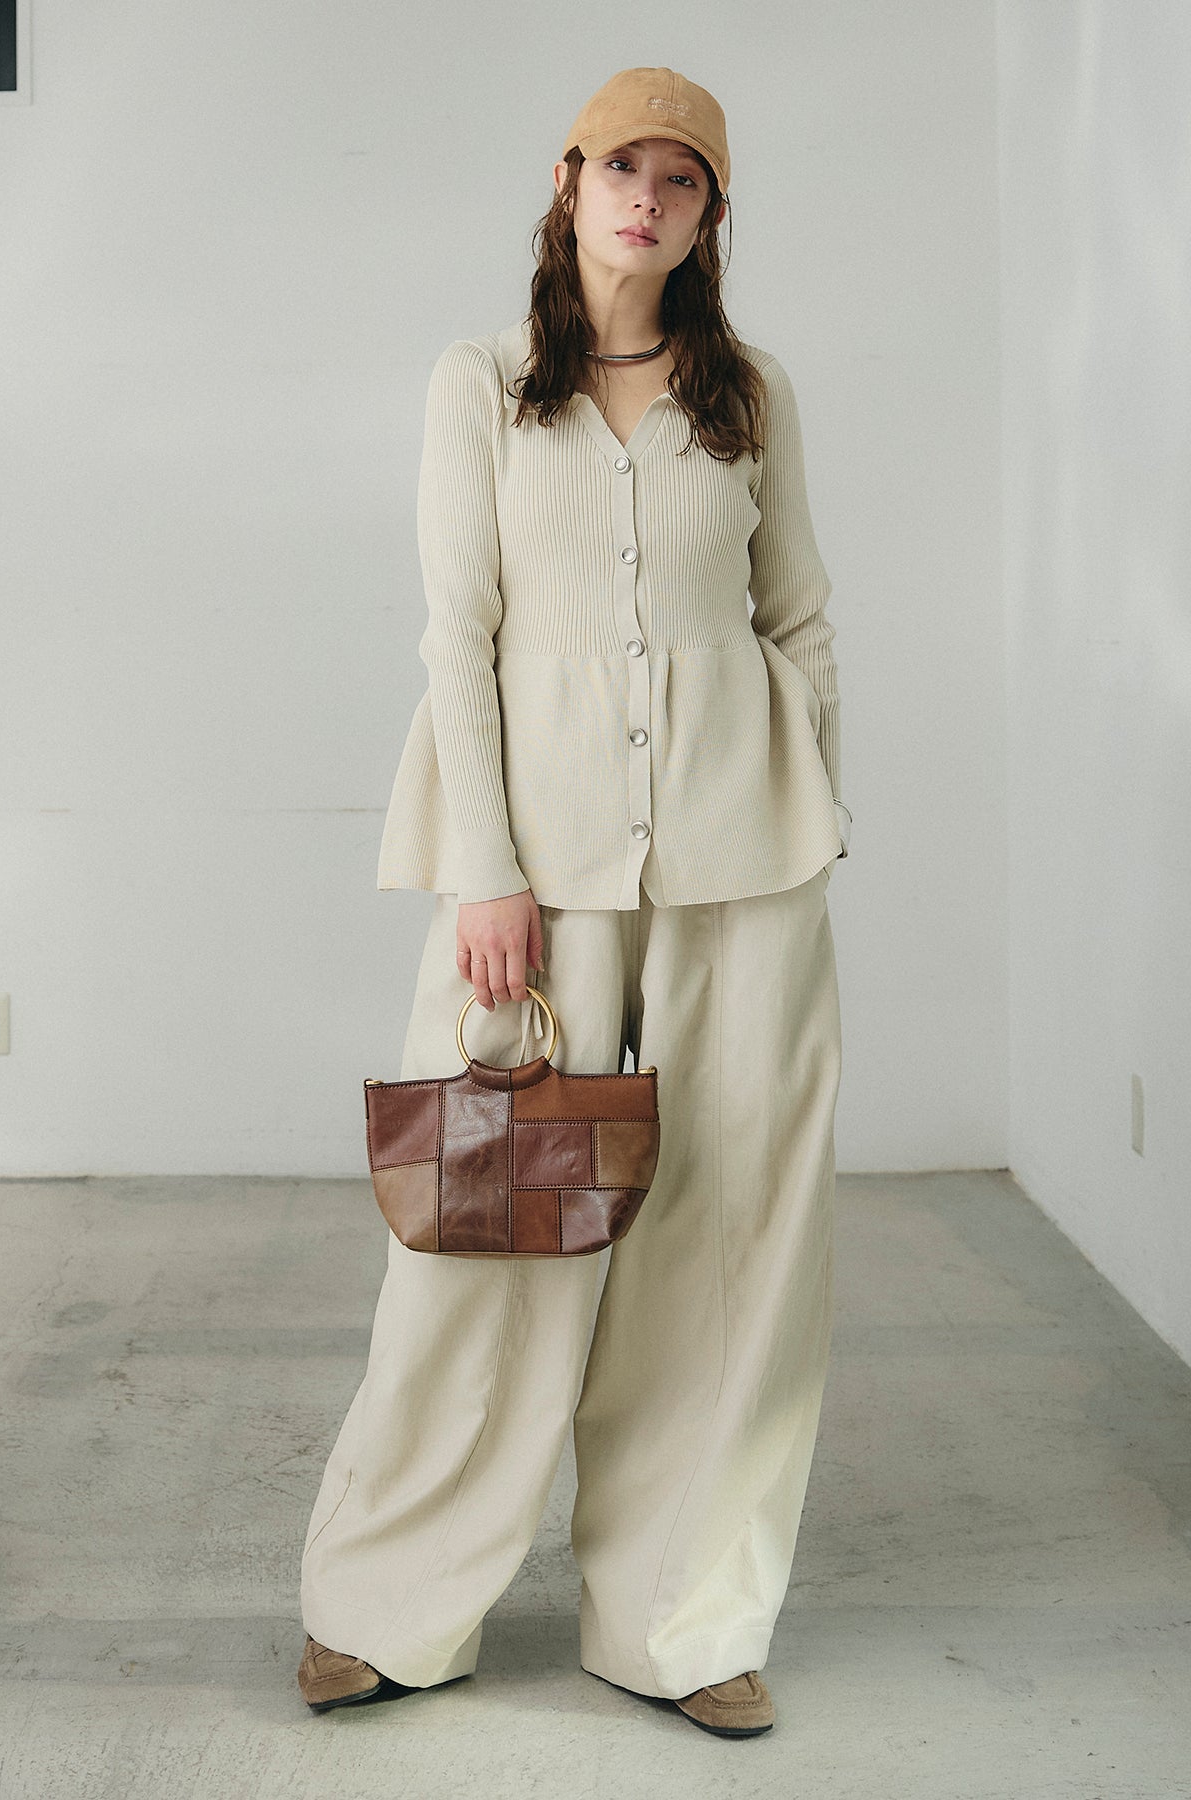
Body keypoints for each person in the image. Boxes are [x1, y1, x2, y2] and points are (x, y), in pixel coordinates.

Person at [297, 65, 852, 1740]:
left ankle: (686, 1617)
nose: (648, 198)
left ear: (710, 214)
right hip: (537, 890)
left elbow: (797, 617)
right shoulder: (481, 386)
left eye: (683, 179)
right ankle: (390, 1604)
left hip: (744, 874)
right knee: (488, 1235)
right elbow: (455, 633)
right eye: (625, 167)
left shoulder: (750, 393)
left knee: (728, 1243)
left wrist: (809, 802)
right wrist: (486, 867)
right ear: (570, 181)